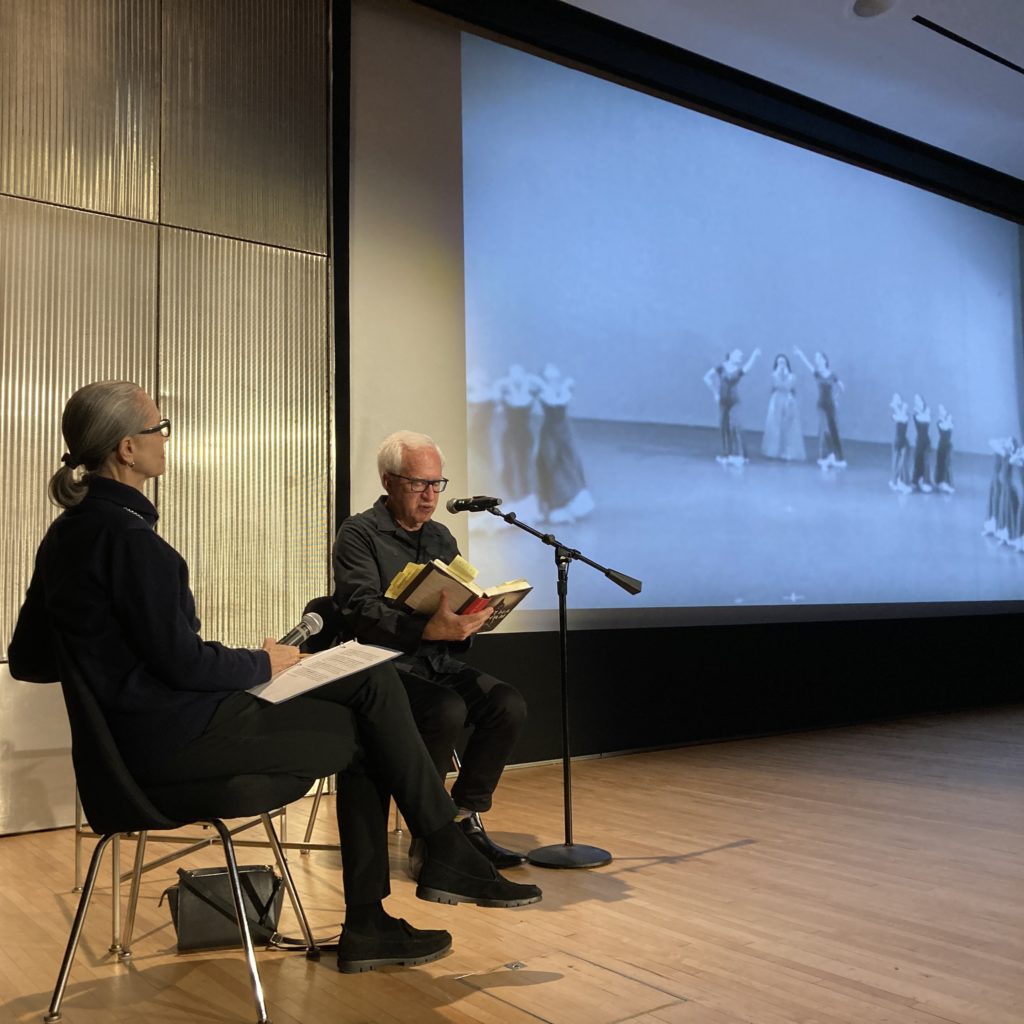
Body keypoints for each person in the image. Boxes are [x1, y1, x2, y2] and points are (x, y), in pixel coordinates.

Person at [8, 382, 540, 976]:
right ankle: (398, 893)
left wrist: (106, 656)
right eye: (160, 429)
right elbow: (184, 664)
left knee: (369, 688)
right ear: (127, 449)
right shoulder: (134, 544)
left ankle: (431, 862)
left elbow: (30, 659)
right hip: (173, 751)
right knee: (371, 721)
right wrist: (264, 662)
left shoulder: (66, 538)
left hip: (119, 761)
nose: (166, 440)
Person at [333, 431, 529, 876]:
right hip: (381, 667)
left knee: (507, 705)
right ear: (388, 481)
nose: (430, 495)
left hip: (435, 660)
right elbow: (361, 610)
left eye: (437, 484)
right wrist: (426, 627)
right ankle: (430, 836)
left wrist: (471, 620)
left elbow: (455, 600)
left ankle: (460, 821)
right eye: (418, 483)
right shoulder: (359, 533)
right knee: (445, 709)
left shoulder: (440, 536)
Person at [535, 363, 594, 523]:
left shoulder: (565, 387)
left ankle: (570, 503)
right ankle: (554, 506)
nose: (554, 380)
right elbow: (553, 403)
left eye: (555, 377)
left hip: (564, 433)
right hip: (550, 433)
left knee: (568, 464)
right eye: (550, 378)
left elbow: (560, 402)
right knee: (550, 464)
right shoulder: (543, 390)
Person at [703, 347, 761, 465]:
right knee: (724, 426)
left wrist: (754, 356)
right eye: (738, 355)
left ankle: (740, 455)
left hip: (734, 400)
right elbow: (706, 377)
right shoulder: (721, 367)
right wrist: (715, 393)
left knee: (735, 426)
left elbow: (747, 367)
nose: (740, 358)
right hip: (723, 400)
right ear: (731, 355)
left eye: (741, 356)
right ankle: (726, 454)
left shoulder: (738, 371)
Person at [793, 347, 845, 468]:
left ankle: (839, 458)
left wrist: (836, 399)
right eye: (816, 359)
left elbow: (841, 387)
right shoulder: (817, 374)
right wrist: (801, 354)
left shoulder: (832, 375)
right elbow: (807, 364)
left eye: (819, 358)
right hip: (821, 405)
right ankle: (829, 455)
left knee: (834, 430)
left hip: (831, 404)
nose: (817, 360)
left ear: (825, 360)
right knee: (824, 430)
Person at [760, 354, 805, 461]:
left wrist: (786, 375)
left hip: (788, 401)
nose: (782, 364)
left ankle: (788, 451)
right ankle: (774, 450)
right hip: (776, 400)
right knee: (775, 424)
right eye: (779, 362)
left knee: (789, 425)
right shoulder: (773, 375)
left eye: (783, 362)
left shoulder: (792, 376)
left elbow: (788, 386)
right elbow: (776, 385)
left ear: (787, 364)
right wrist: (778, 374)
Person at [888, 393, 912, 493]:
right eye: (895, 399)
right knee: (896, 463)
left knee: (903, 463)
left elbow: (904, 418)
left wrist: (898, 407)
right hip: (897, 441)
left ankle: (902, 482)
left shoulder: (905, 414)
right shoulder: (894, 414)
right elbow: (899, 418)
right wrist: (895, 407)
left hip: (904, 441)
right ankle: (895, 481)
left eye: (898, 399)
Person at [910, 393, 934, 493]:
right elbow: (924, 419)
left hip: (926, 442)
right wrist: (926, 411)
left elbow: (928, 420)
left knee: (927, 462)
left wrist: (927, 411)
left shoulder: (926, 412)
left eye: (919, 400)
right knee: (918, 461)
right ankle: (916, 480)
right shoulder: (916, 415)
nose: (918, 403)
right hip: (919, 441)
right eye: (916, 401)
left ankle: (926, 481)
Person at [934, 404, 955, 494]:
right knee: (941, 464)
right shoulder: (939, 422)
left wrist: (949, 420)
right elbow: (945, 427)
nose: (943, 412)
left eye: (944, 410)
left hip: (948, 446)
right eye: (941, 410)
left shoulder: (947, 421)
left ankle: (946, 482)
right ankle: (941, 482)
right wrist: (949, 420)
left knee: (947, 464)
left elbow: (950, 427)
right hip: (942, 446)